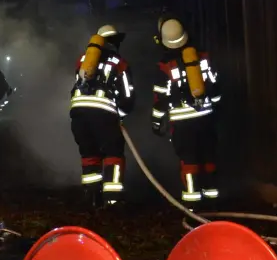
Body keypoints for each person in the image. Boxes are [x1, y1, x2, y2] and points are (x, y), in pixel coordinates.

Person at [152, 16, 221, 207]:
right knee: (208, 159)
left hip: (183, 125)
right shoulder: (203, 58)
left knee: (189, 162)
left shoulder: (164, 67)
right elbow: (215, 89)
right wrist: (213, 108)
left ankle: (193, 206)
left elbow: (160, 100)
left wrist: (156, 123)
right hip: (206, 119)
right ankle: (213, 202)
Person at [68, 24, 135, 207]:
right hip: (104, 114)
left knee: (89, 154)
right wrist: (120, 114)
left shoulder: (83, 60)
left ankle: (91, 198)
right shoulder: (119, 63)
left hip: (78, 115)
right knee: (113, 153)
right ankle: (112, 201)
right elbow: (127, 96)